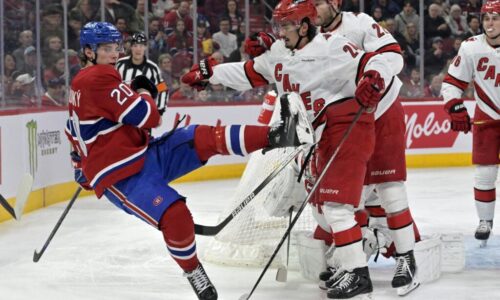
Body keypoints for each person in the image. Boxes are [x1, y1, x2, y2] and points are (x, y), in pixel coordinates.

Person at [66, 21, 313, 300]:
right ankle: (193, 270)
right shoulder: (97, 78)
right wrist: (144, 92)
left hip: (142, 153)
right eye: (106, 49)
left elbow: (74, 131)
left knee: (202, 138)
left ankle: (278, 135)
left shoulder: (82, 83)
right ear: (88, 52)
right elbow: (150, 116)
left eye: (116, 47)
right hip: (123, 177)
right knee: (175, 216)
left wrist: (80, 168)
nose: (114, 54)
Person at [182, 1, 399, 298]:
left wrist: (375, 77)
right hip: (319, 135)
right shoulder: (280, 53)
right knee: (324, 209)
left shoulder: (333, 46)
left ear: (305, 25)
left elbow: (379, 61)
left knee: (337, 207)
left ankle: (358, 274)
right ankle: (350, 263)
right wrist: (210, 73)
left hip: (348, 129)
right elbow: (249, 73)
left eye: (286, 26)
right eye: (279, 25)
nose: (280, 32)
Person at [244, 0, 421, 296]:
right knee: (346, 199)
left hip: (381, 111)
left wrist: (375, 76)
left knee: (389, 188)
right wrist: (271, 46)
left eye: (321, 2)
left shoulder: (359, 24)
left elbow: (393, 56)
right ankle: (353, 264)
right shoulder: (308, 38)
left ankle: (406, 259)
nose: (315, 8)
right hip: (344, 124)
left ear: (335, 4)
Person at [441, 0, 499, 247]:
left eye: (495, 18)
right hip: (486, 120)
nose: (490, 23)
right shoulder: (470, 48)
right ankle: (484, 221)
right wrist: (454, 105)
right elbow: (452, 83)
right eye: (486, 18)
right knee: (484, 174)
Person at [116, 33, 169, 115]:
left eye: (141, 46)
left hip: (143, 113)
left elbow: (162, 89)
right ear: (131, 47)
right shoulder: (120, 64)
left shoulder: (152, 68)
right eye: (135, 46)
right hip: (120, 112)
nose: (138, 49)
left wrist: (159, 110)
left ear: (145, 47)